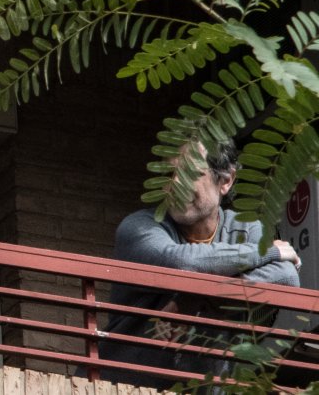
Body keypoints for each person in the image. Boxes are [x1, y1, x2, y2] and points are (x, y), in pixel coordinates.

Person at [97, 139, 301, 389]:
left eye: (189, 173)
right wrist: (267, 252)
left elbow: (287, 277)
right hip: (124, 387)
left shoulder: (246, 228)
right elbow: (181, 261)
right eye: (169, 174)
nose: (175, 185)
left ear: (226, 181)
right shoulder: (139, 227)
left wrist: (192, 300)